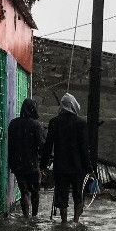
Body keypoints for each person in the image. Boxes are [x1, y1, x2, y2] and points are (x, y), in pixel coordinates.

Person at [40, 93, 92, 223]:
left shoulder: (54, 122)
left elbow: (48, 146)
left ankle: (63, 222)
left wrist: (43, 165)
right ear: (73, 105)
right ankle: (76, 221)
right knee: (78, 195)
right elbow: (84, 149)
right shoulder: (81, 123)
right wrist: (89, 168)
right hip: (77, 167)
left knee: (61, 195)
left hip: (60, 167)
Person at [8, 98, 44, 217]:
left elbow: (10, 145)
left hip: (17, 163)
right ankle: (34, 216)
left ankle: (25, 217)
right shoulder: (36, 125)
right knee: (35, 191)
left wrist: (11, 163)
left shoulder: (13, 124)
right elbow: (41, 145)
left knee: (24, 191)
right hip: (32, 164)